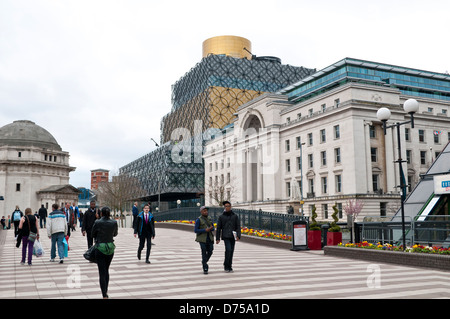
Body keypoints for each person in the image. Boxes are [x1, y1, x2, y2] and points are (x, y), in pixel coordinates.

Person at [92, 206, 118, 299]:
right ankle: (106, 290)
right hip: (110, 247)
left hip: (100, 248)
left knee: (101, 272)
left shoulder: (97, 222)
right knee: (106, 270)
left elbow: (92, 234)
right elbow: (115, 234)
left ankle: (104, 294)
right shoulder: (114, 222)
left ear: (101, 213)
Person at [216, 201, 241, 273]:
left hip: (233, 236)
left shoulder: (235, 216)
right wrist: (218, 238)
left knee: (231, 251)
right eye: (226, 206)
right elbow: (218, 228)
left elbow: (238, 226)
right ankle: (226, 265)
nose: (227, 207)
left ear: (230, 207)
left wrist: (238, 235)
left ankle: (230, 266)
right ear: (224, 207)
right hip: (226, 236)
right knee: (228, 250)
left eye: (228, 206)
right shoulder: (221, 217)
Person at [194, 206, 215, 274]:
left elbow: (213, 228)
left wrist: (211, 228)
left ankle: (204, 261)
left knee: (210, 251)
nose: (206, 212)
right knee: (203, 251)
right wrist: (204, 230)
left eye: (206, 211)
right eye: (204, 211)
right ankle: (205, 267)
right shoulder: (198, 220)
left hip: (210, 238)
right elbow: (196, 230)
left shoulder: (209, 218)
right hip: (202, 239)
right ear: (201, 212)